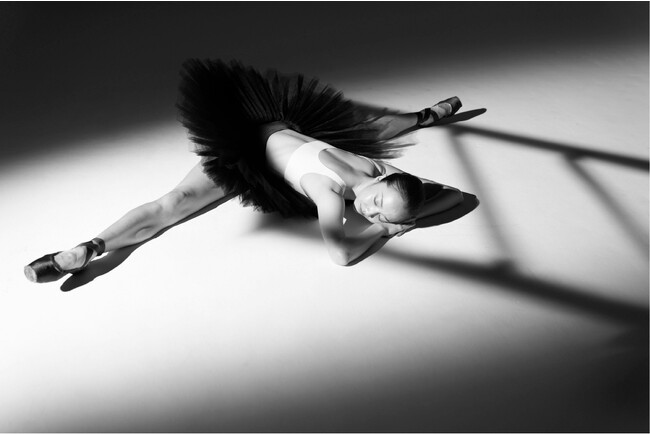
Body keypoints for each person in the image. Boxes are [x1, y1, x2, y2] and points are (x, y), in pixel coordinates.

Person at [25, 59, 470, 283]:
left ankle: (83, 252)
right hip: (247, 145)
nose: (370, 211)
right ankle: (91, 245)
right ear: (386, 178)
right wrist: (386, 231)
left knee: (369, 130)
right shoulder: (331, 195)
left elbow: (453, 195)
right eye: (376, 202)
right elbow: (341, 255)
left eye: (379, 213)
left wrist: (400, 214)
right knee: (174, 203)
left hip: (282, 135)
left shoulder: (380, 176)